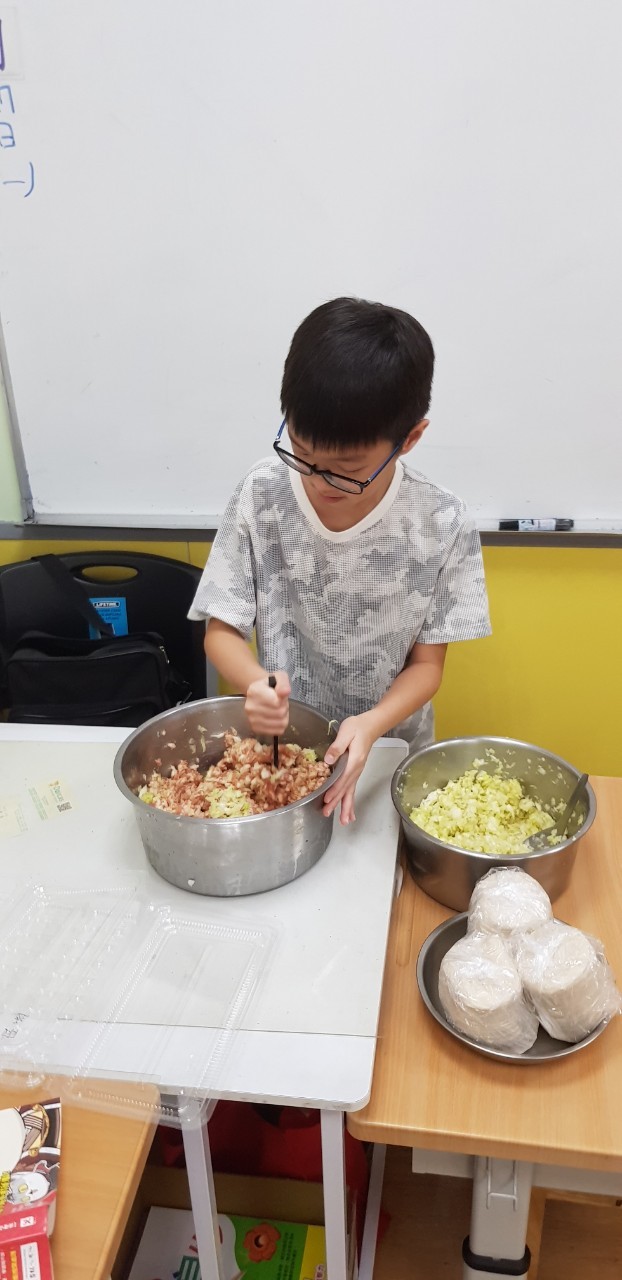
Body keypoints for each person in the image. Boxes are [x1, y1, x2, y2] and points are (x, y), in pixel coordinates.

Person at [189, 297, 491, 824]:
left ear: (410, 439)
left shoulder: (441, 521)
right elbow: (221, 630)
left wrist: (372, 723)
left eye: (346, 469)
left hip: (390, 748)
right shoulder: (262, 495)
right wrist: (255, 683)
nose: (316, 480)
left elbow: (427, 667)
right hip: (284, 749)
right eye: (301, 453)